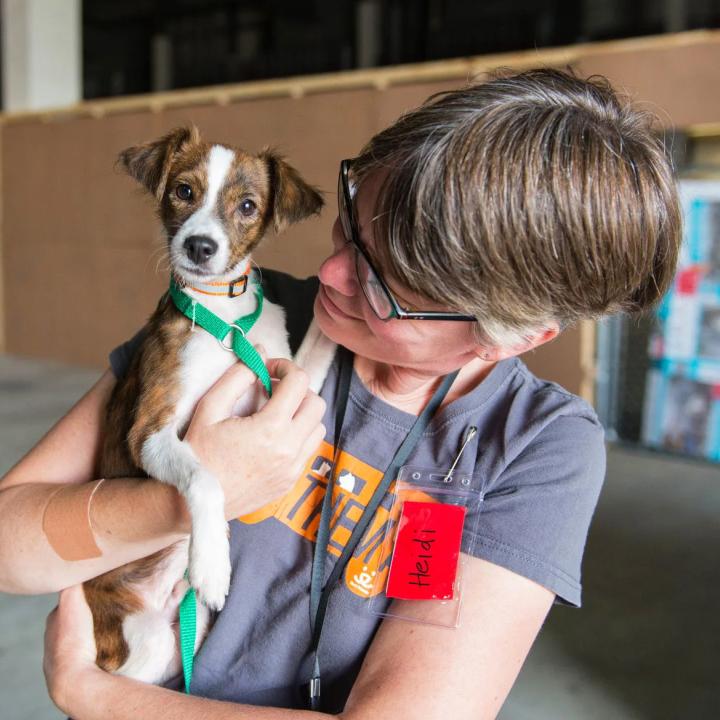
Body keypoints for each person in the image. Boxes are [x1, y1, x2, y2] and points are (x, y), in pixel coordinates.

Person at [0, 68, 680, 720]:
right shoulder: (241, 320)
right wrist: (185, 499)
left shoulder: (534, 445)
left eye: (385, 285)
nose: (328, 272)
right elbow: (9, 540)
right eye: (351, 226)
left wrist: (97, 699)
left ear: (513, 336)